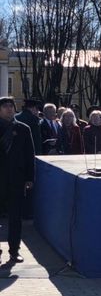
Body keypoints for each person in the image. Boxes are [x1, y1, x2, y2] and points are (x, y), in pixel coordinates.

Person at [0, 96, 35, 264]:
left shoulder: (23, 128)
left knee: (16, 217)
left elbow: (29, 155)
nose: (8, 109)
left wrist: (30, 177)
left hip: (17, 178)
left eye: (11, 106)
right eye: (5, 106)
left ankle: (14, 251)